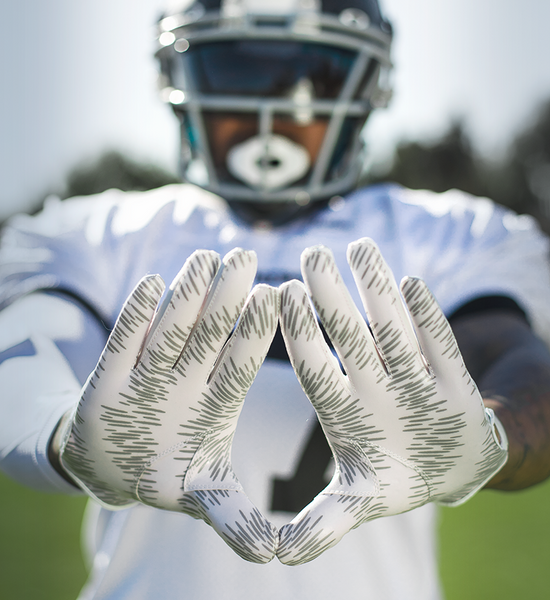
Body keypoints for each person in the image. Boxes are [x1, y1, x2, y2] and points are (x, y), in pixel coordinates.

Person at [2, 0, 550, 598]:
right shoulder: (97, 235)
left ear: (371, 86)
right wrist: (62, 433)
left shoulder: (448, 237)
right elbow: (25, 362)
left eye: (315, 73)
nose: (274, 107)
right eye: (234, 69)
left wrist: (490, 434)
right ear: (177, 78)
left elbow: (517, 363)